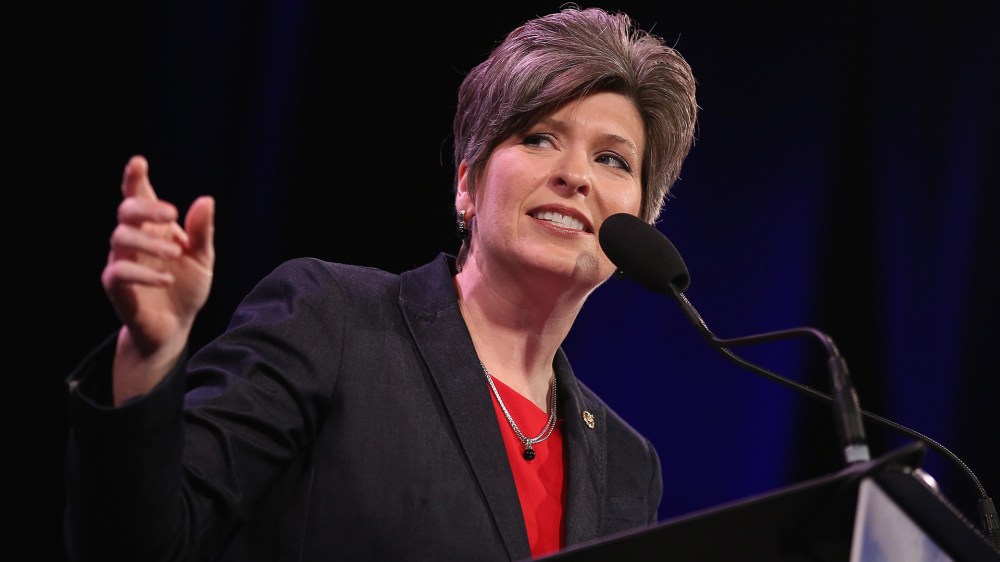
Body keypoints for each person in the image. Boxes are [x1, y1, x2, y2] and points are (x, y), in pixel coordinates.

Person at [63, 5, 698, 561]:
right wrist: (150, 357)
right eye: (539, 137)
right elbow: (138, 543)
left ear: (640, 217)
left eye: (612, 158)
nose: (575, 176)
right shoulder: (331, 321)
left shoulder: (627, 467)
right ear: (468, 184)